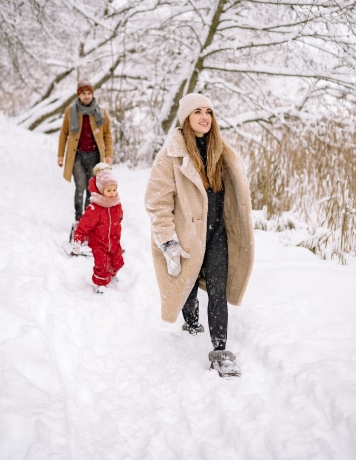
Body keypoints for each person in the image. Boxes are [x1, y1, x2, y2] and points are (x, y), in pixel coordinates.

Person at [144, 93, 254, 377]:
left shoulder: (222, 151)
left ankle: (220, 350)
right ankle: (191, 321)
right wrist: (168, 240)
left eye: (209, 111)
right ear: (186, 118)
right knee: (188, 285)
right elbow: (157, 201)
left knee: (217, 289)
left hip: (217, 233)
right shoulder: (170, 155)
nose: (205, 117)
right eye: (197, 112)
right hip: (187, 235)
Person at [57, 79, 113, 235]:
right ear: (79, 95)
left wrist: (108, 155)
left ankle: (89, 219)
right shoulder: (71, 111)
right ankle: (78, 217)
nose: (86, 96)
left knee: (92, 190)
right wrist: (60, 155)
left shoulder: (101, 111)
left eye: (89, 93)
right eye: (83, 94)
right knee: (80, 187)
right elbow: (64, 133)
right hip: (77, 156)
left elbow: (108, 134)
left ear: (92, 94)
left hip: (95, 156)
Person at [72, 169, 124, 294]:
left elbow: (119, 216)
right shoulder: (95, 208)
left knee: (118, 261)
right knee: (102, 264)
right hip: (99, 243)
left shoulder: (116, 204)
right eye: (108, 190)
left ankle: (110, 274)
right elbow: (84, 226)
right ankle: (100, 283)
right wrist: (78, 239)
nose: (112, 193)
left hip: (114, 241)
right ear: (101, 190)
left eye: (114, 189)